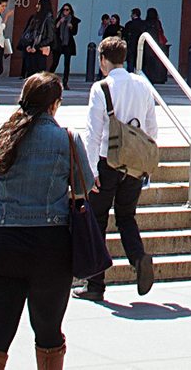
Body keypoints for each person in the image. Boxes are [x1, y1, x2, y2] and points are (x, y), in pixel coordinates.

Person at [0, 72, 94, 370]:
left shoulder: (3, 136)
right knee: (49, 334)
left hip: (2, 247)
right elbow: (84, 187)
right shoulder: (66, 138)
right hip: (51, 249)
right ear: (55, 105)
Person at [80, 36, 157, 300]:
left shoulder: (101, 88)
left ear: (103, 58)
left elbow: (93, 133)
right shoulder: (142, 85)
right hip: (135, 164)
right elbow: (151, 130)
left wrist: (90, 172)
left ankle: (96, 284)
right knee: (126, 216)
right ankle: (138, 258)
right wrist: (147, 166)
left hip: (107, 162)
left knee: (97, 220)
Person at [19, 0, 54, 77]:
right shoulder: (35, 18)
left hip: (40, 51)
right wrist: (29, 45)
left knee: (39, 74)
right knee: (31, 72)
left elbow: (50, 37)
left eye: (39, 4)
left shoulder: (48, 20)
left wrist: (37, 46)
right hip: (31, 50)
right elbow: (29, 33)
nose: (37, 6)